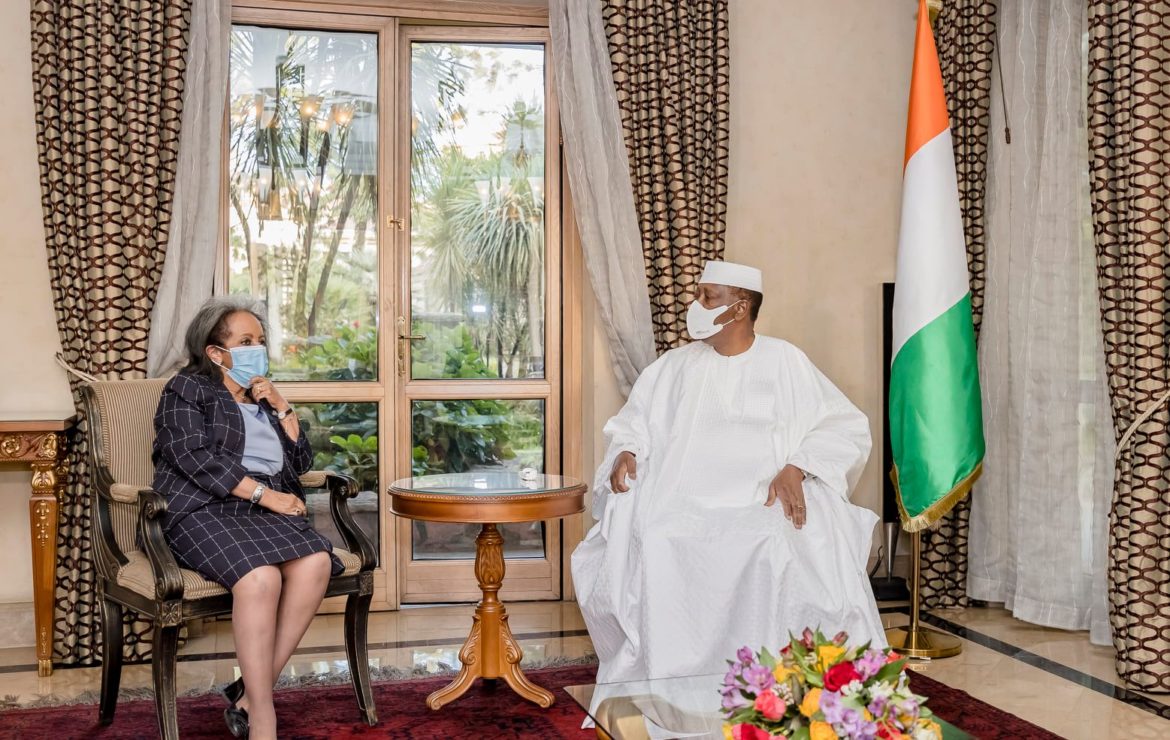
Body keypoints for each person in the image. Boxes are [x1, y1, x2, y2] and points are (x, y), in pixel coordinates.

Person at [572, 260, 886, 686]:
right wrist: (627, 450)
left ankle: (769, 681)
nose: (695, 304)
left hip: (762, 499)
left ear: (740, 309)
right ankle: (672, 681)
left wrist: (798, 467)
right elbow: (636, 421)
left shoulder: (785, 361)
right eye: (699, 294)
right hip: (680, 498)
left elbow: (842, 425)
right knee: (660, 537)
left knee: (775, 542)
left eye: (707, 297)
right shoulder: (673, 366)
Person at [152, 296, 342, 740]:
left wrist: (282, 407)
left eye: (260, 339)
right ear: (216, 353)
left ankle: (247, 696)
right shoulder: (187, 389)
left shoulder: (262, 396)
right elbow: (190, 457)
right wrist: (264, 494)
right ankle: (264, 717)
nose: (257, 348)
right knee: (260, 579)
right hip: (203, 507)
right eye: (245, 340)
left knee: (315, 563)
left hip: (264, 507)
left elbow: (299, 462)